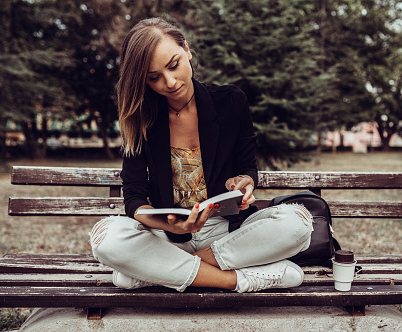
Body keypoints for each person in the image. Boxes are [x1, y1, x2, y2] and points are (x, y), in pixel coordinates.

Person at [90, 17, 313, 293]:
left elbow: (247, 167)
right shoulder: (140, 117)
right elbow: (134, 197)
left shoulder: (231, 100)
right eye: (154, 77)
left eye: (174, 65)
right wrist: (175, 226)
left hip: (226, 232)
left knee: (299, 223)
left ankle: (159, 272)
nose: (169, 82)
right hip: (168, 235)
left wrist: (243, 183)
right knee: (104, 238)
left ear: (187, 49)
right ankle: (238, 280)